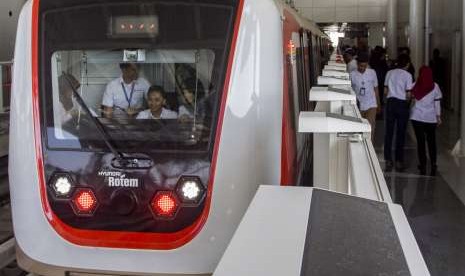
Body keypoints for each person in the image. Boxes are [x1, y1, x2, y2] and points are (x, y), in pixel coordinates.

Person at [384, 54, 414, 172]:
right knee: (401, 133)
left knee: (389, 133)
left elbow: (385, 91)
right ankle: (398, 161)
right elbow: (408, 94)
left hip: (391, 103)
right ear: (407, 64)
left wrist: (388, 102)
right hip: (401, 104)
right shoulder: (408, 75)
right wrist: (406, 104)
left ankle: (388, 160)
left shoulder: (389, 73)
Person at [410, 66, 442, 176]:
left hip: (417, 117)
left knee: (421, 142)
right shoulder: (435, 86)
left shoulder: (415, 85)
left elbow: (411, 99)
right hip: (430, 118)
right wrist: (438, 117)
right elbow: (437, 103)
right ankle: (433, 163)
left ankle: (422, 165)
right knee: (432, 141)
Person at [350, 53, 380, 140]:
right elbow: (350, 90)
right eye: (360, 66)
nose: (362, 68)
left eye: (364, 66)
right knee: (359, 127)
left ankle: (370, 146)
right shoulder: (352, 74)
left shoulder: (372, 73)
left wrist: (378, 103)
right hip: (358, 104)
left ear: (367, 64)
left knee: (370, 128)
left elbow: (376, 88)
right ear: (357, 64)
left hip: (371, 104)